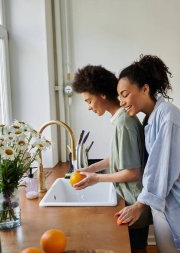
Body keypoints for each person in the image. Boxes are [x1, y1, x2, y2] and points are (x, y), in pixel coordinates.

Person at [115, 55, 180, 253]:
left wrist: (139, 205)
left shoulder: (168, 116)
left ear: (145, 89)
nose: (121, 102)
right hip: (170, 208)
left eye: (124, 94)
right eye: (119, 97)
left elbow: (161, 168)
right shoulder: (150, 119)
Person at [72, 65, 152, 253]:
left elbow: (133, 172)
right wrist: (91, 169)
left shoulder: (124, 122)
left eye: (89, 101)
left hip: (134, 203)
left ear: (102, 94)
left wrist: (97, 179)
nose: (89, 107)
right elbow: (117, 157)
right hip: (130, 201)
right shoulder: (120, 119)